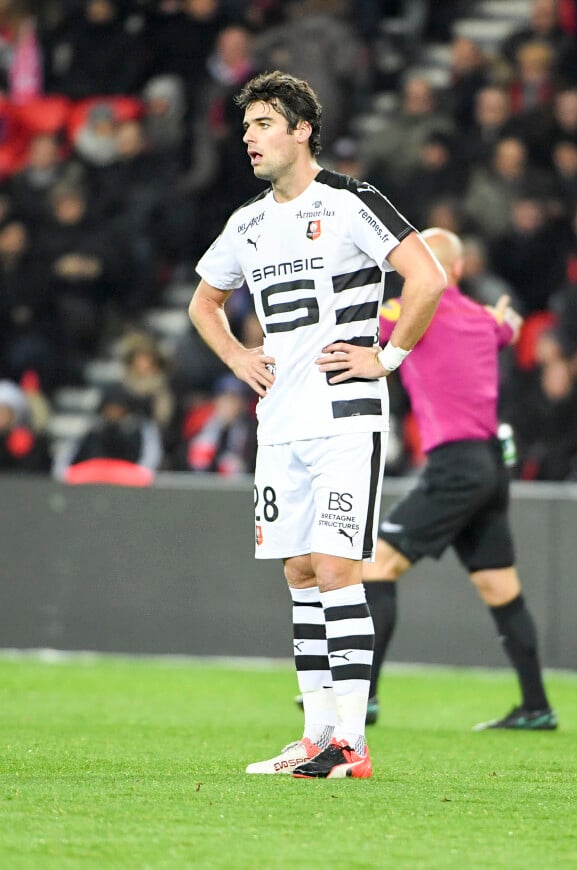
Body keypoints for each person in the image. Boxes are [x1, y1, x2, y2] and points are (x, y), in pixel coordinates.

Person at [189, 69, 446, 779]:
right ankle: (314, 736)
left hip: (344, 416)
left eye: (264, 124)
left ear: (302, 130)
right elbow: (202, 304)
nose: (249, 138)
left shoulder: (350, 201)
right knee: (301, 572)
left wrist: (387, 357)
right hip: (280, 422)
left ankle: (352, 743)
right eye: (246, 128)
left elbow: (426, 278)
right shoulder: (246, 223)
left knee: (337, 567)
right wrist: (239, 356)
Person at [359, 227, 557, 731]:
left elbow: (364, 328)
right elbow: (508, 328)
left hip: (454, 465)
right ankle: (536, 707)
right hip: (492, 466)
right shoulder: (483, 320)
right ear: (463, 269)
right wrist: (506, 317)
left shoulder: (408, 311)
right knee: (500, 588)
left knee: (376, 568)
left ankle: (364, 699)